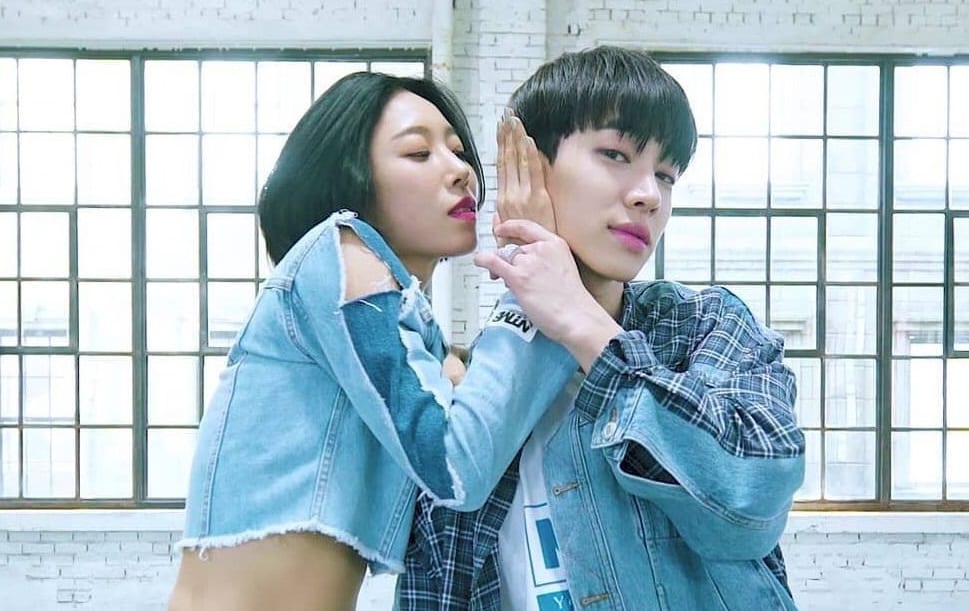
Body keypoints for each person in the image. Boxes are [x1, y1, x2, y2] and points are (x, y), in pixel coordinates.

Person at [397, 45, 806, 611]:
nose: (649, 195)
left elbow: (751, 501)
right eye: (616, 154)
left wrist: (581, 321)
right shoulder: (470, 391)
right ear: (529, 165)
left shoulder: (703, 327)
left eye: (666, 175)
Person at [167, 71, 580, 611]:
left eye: (459, 152)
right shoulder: (340, 249)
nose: (461, 171)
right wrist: (532, 285)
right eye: (418, 153)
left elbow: (472, 420)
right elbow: (455, 468)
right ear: (352, 176)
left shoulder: (414, 332)